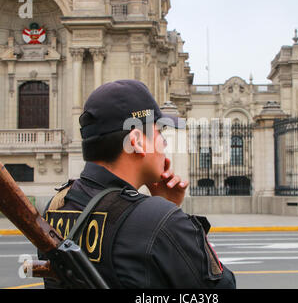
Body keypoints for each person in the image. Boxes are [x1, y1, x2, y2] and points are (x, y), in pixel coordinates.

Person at [41, 80, 236, 289]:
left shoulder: (57, 205)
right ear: (137, 141)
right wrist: (171, 216)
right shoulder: (160, 221)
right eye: (159, 132)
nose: (165, 142)